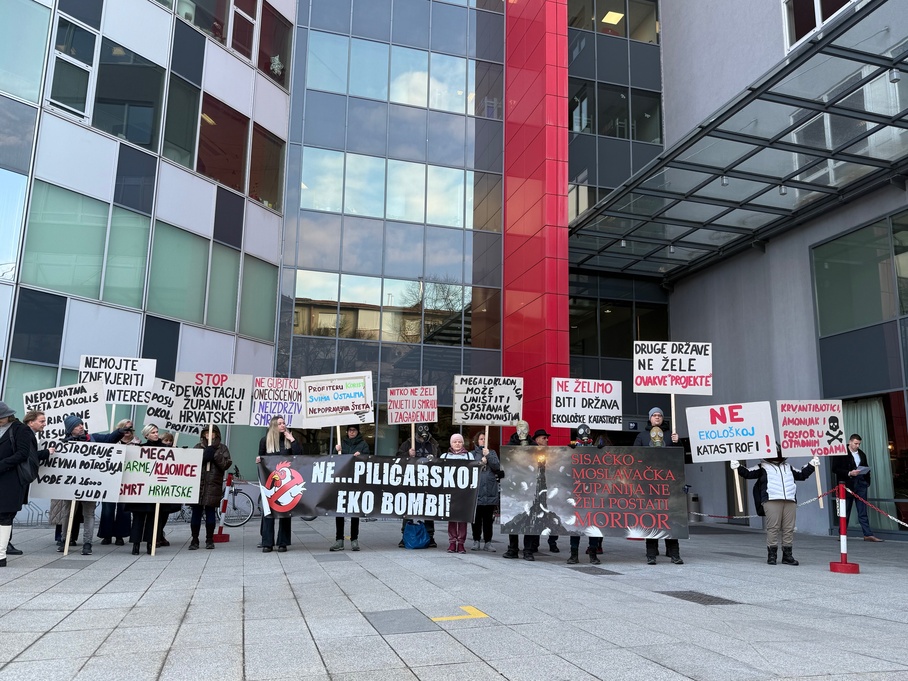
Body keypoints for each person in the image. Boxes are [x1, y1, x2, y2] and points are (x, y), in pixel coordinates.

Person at [58, 415, 129, 555]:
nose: (81, 426)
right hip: (71, 484)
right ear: (70, 429)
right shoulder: (64, 443)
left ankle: (87, 543)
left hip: (90, 485)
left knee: (89, 514)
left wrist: (120, 432)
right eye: (77, 425)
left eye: (81, 424)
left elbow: (109, 439)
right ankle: (65, 540)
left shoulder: (93, 438)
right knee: (68, 513)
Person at [733, 452, 819, 565]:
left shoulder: (788, 467)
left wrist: (812, 464)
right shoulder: (762, 467)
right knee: (773, 528)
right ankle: (772, 555)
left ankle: (787, 555)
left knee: (789, 528)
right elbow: (748, 474)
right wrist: (737, 467)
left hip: (789, 500)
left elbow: (802, 475)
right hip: (771, 499)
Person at [634, 407, 683, 565]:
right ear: (650, 418)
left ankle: (674, 553)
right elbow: (634, 456)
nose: (657, 417)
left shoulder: (670, 435)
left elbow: (680, 456)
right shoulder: (642, 436)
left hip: (668, 483)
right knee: (651, 517)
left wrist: (677, 442)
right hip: (649, 484)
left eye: (659, 415)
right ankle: (651, 554)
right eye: (654, 415)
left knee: (670, 518)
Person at [6, 411, 54, 557]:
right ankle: (5, 543)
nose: (44, 424)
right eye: (41, 421)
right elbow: (28, 455)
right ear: (31, 422)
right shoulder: (25, 433)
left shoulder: (25, 433)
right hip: (16, 478)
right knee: (8, 513)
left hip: (14, 477)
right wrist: (46, 452)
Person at [257, 416, 302, 552]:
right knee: (268, 512)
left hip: (286, 482)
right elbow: (261, 458)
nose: (283, 425)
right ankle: (267, 542)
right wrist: (259, 460)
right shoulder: (265, 441)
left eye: (284, 423)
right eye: (279, 423)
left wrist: (292, 440)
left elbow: (299, 456)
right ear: (274, 426)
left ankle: (283, 542)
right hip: (270, 482)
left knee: (285, 510)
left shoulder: (289, 440)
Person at [831, 434, 883, 542]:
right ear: (850, 442)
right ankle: (842, 534)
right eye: (855, 443)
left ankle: (868, 534)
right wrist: (849, 473)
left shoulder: (862, 454)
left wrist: (867, 482)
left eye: (859, 444)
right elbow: (835, 469)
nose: (857, 446)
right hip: (847, 484)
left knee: (862, 510)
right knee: (846, 510)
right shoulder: (841, 452)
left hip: (860, 484)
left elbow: (866, 467)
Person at [397, 424, 440, 548]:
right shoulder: (408, 443)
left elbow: (440, 460)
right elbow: (397, 458)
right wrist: (407, 454)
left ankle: (430, 536)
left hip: (429, 480)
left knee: (429, 507)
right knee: (409, 507)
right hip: (411, 479)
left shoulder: (433, 444)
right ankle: (405, 535)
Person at [0, 402, 32, 567]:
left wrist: (2, 464)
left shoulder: (20, 429)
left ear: (8, 416)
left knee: (5, 516)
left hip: (11, 479)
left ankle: (1, 555)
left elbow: (23, 453)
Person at [189, 425, 232, 550]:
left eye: (211, 432)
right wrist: (204, 457)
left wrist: (215, 454)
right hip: (199, 483)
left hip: (213, 484)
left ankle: (209, 539)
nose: (208, 434)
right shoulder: (198, 447)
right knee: (196, 512)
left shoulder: (222, 448)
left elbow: (226, 464)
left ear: (216, 434)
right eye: (206, 432)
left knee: (210, 512)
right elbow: (192, 463)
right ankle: (194, 539)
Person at [331, 424, 369, 551]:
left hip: (356, 481)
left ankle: (354, 539)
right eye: (350, 430)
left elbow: (369, 459)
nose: (352, 432)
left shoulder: (363, 445)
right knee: (339, 510)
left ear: (357, 432)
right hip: (342, 481)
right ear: (347, 431)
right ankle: (339, 539)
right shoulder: (341, 443)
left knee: (354, 510)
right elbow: (332, 460)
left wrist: (361, 456)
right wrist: (335, 450)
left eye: (354, 430)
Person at [97, 419, 135, 546]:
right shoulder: (110, 441)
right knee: (108, 508)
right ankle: (106, 535)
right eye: (124, 427)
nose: (127, 430)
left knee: (124, 509)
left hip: (127, 480)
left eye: (130, 428)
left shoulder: (137, 444)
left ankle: (120, 535)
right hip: (110, 479)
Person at [503, 422, 537, 560]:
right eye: (520, 429)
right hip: (514, 486)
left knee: (529, 518)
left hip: (529, 486)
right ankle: (513, 548)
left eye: (525, 428)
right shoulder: (509, 447)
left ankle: (528, 550)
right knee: (513, 518)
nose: (522, 431)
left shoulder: (534, 446)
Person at [442, 433, 475, 553]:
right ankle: (452, 542)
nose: (457, 444)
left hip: (464, 493)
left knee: (462, 518)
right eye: (455, 442)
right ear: (451, 443)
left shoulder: (469, 456)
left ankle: (461, 543)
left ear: (463, 443)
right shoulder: (444, 456)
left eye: (459, 442)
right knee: (451, 518)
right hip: (450, 492)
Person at [470, 430, 500, 552]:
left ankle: (488, 542)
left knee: (488, 520)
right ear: (477, 441)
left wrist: (489, 456)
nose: (483, 441)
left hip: (489, 492)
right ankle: (476, 540)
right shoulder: (472, 454)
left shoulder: (492, 453)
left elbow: (497, 467)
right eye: (481, 439)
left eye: (484, 439)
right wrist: (480, 463)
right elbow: (469, 468)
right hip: (477, 492)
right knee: (476, 519)